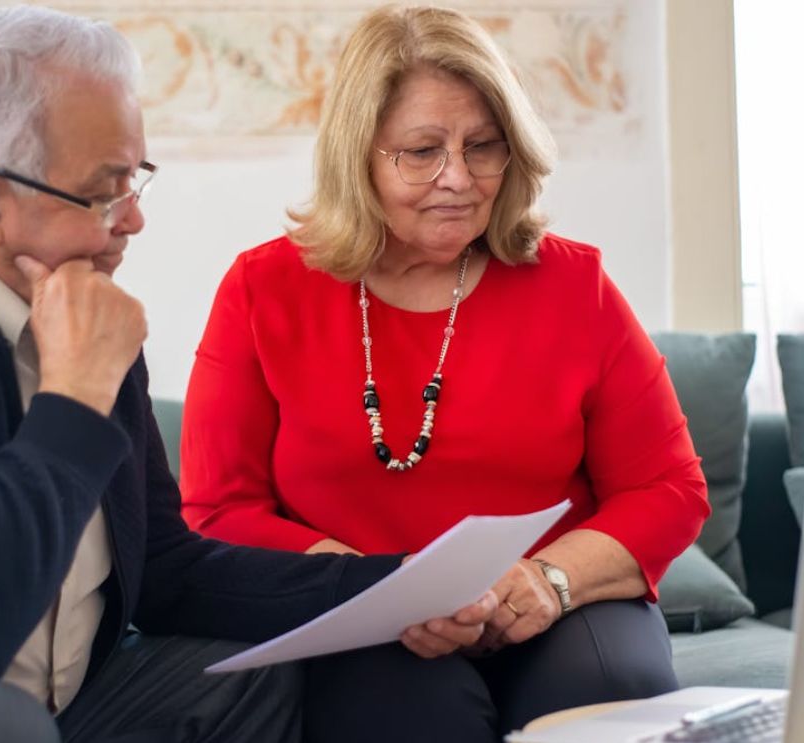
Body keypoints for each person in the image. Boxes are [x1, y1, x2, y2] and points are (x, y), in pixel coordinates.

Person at [0, 6, 496, 742]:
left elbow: (168, 569)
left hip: (53, 705)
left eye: (137, 179)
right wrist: (71, 396)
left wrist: (399, 588)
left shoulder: (80, 305)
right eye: (104, 190)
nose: (132, 218)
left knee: (250, 674)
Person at [180, 5, 711, 740]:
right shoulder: (261, 289)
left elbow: (668, 486)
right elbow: (216, 508)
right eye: (421, 150)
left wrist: (548, 581)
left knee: (607, 691)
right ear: (358, 154)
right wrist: (375, 589)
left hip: (554, 604)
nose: (457, 178)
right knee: (406, 711)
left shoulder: (573, 285)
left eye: (482, 146)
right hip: (361, 618)